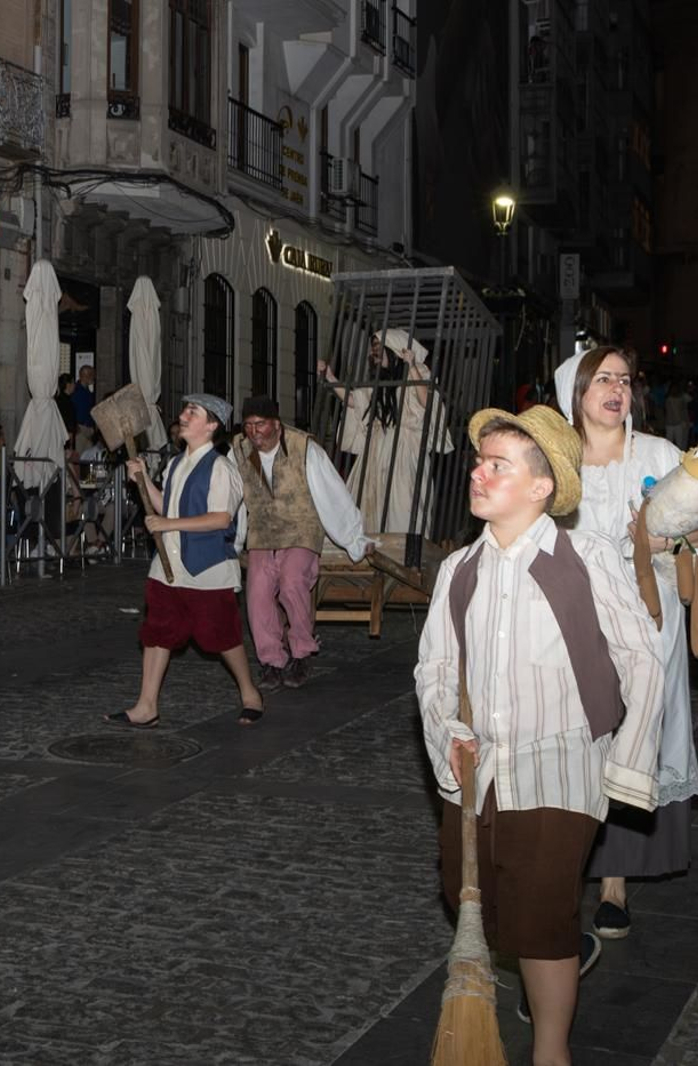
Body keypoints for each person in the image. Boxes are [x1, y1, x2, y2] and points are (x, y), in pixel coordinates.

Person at [417, 404, 664, 1066]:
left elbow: (643, 656)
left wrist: (628, 765)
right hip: (481, 772)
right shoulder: (458, 570)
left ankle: (551, 1053)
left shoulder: (583, 557)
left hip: (561, 767)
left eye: (497, 466)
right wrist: (446, 731)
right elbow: (434, 669)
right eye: (479, 462)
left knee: (544, 913)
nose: (479, 473)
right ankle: (553, 960)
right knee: (497, 915)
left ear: (540, 485)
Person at [555, 345, 698, 940]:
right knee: (580, 740)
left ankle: (614, 884)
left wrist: (683, 538)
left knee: (635, 739)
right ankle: (563, 865)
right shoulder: (555, 462)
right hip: (576, 619)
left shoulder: (658, 453)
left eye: (624, 380)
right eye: (602, 379)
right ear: (576, 391)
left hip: (649, 615)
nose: (616, 388)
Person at [107, 394, 264, 728]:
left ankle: (250, 693)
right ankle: (146, 705)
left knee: (221, 636)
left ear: (211, 426)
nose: (183, 415)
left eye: (193, 412)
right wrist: (143, 479)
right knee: (157, 632)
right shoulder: (177, 463)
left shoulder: (222, 469)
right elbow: (166, 506)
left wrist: (168, 525)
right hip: (168, 565)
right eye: (185, 410)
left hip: (208, 567)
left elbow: (221, 519)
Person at [230, 395, 374, 692]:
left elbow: (333, 495)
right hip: (263, 534)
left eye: (261, 425)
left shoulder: (304, 448)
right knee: (257, 593)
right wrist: (235, 540)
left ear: (277, 425)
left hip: (301, 531)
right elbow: (235, 498)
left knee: (293, 582)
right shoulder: (238, 451)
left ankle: (301, 653)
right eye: (248, 426)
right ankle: (271, 659)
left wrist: (353, 538)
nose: (254, 432)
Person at [318, 329, 454, 535]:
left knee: (403, 506)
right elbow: (354, 401)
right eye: (373, 350)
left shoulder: (416, 375)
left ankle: (407, 552)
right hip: (377, 448)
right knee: (369, 504)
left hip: (405, 450)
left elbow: (427, 402)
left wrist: (412, 367)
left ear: (394, 351)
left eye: (379, 349)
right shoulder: (379, 385)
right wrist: (330, 377)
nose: (375, 355)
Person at [71, 364, 96, 448]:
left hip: (88, 428)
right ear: (85, 376)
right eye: (92, 375)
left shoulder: (87, 391)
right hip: (80, 428)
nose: (94, 377)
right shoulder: (75, 391)